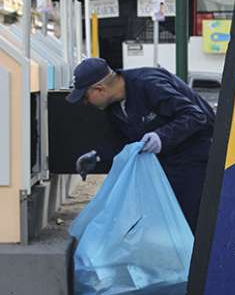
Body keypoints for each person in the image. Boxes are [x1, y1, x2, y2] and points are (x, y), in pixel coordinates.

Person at [67, 58, 215, 234]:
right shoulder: (113, 107)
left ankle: (194, 260)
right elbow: (121, 144)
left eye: (85, 96)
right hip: (165, 164)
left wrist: (161, 137)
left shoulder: (149, 84)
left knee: (189, 222)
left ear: (100, 89)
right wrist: (97, 157)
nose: (85, 103)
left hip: (196, 159)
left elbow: (196, 116)